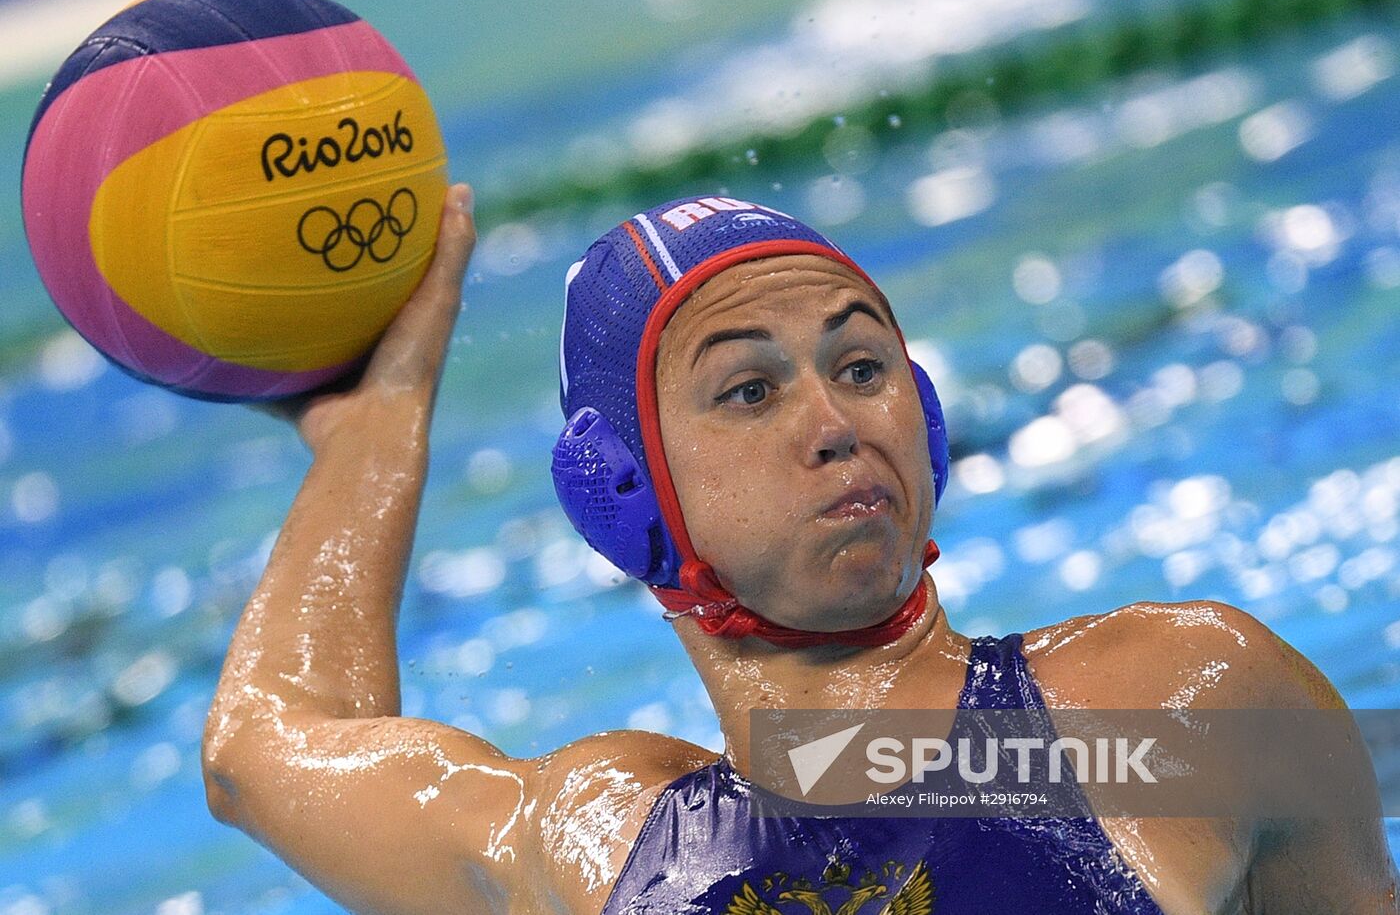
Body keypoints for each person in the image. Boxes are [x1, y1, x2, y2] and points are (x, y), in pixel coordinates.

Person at [202, 184, 1398, 914]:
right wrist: (372, 431)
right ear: (622, 492)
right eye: (747, 390)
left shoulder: (1174, 708)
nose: (835, 425)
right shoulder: (594, 839)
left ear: (923, 420)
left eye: (862, 366)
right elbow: (263, 753)